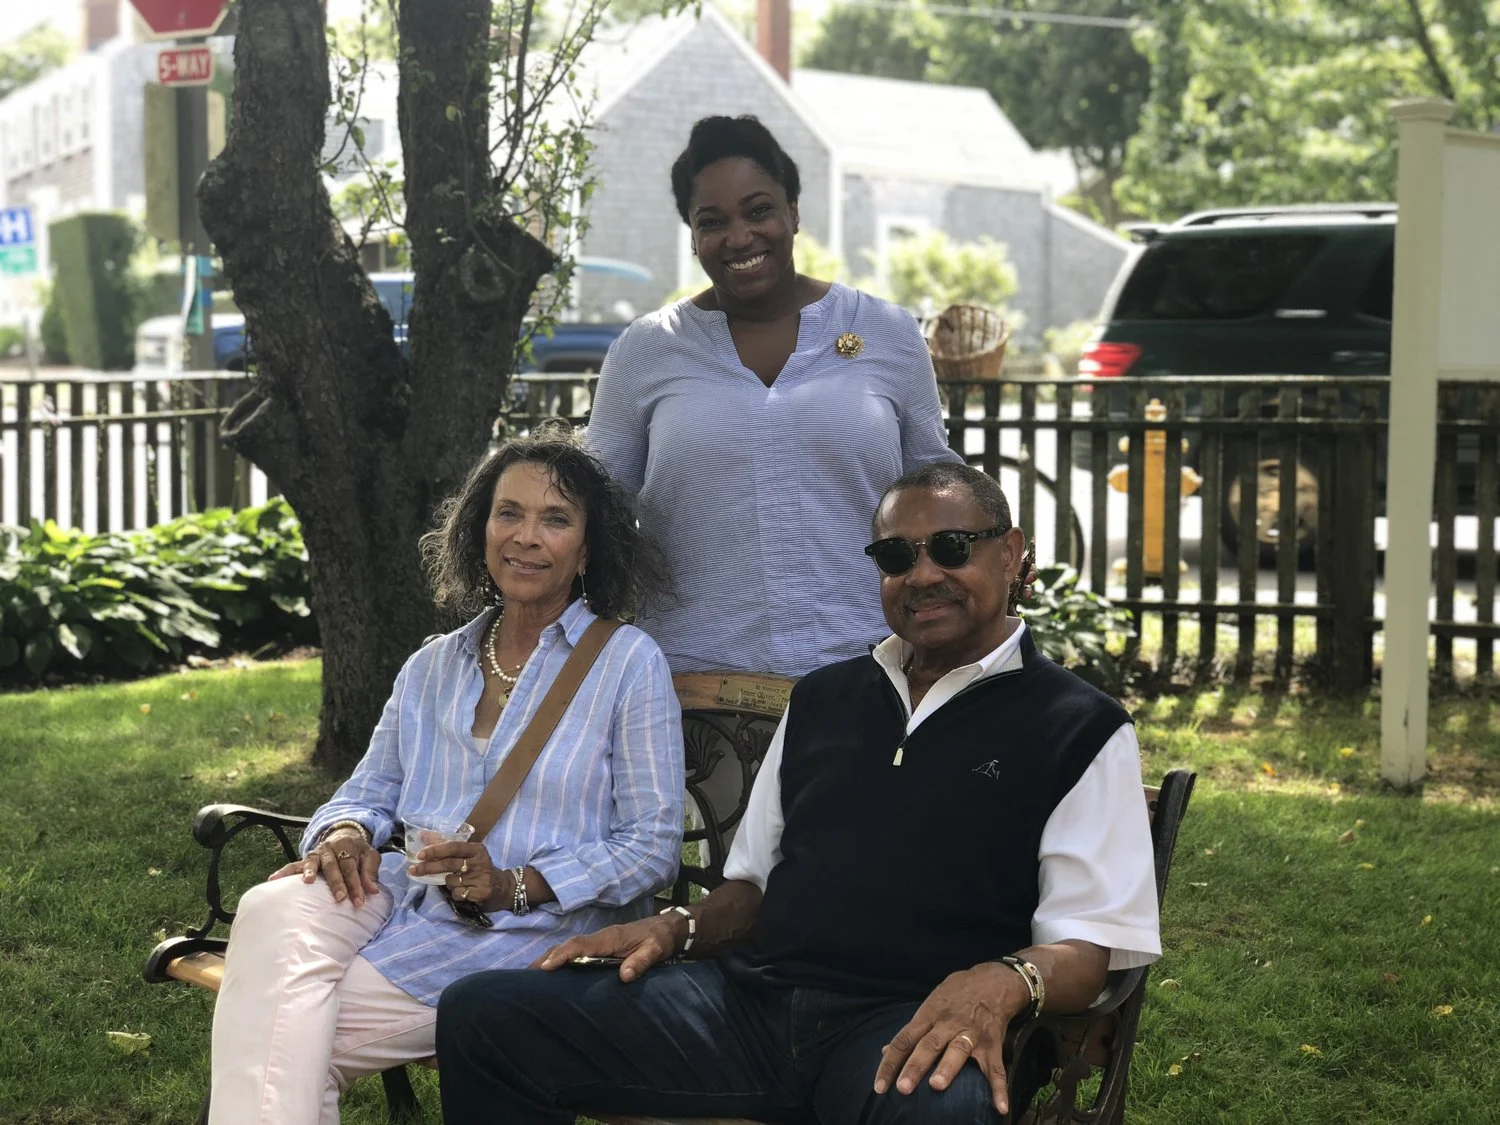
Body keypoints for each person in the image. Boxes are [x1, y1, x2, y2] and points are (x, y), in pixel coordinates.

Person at [435, 461, 1160, 1125]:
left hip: (912, 1024)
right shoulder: (826, 699)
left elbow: (1088, 949)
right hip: (750, 1007)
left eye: (952, 547)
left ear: (1011, 553)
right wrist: (676, 929)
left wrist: (1000, 983)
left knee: (942, 1110)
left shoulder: (1078, 727)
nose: (923, 574)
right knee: (485, 1014)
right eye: (897, 556)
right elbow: (750, 889)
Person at [207, 434, 685, 1125]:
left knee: (280, 1032)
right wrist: (342, 831)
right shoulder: (434, 662)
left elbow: (652, 843)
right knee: (269, 907)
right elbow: (366, 791)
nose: (525, 537)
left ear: (587, 551)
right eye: (508, 513)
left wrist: (515, 882)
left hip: (531, 930)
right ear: (479, 529)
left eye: (555, 519)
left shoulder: (627, 662)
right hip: (406, 897)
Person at [584, 113, 963, 678]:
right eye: (712, 221)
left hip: (865, 672)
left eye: (759, 210)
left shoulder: (888, 331)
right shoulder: (647, 349)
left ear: (792, 212)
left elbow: (937, 489)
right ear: (693, 236)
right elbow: (592, 506)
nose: (739, 237)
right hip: (689, 687)